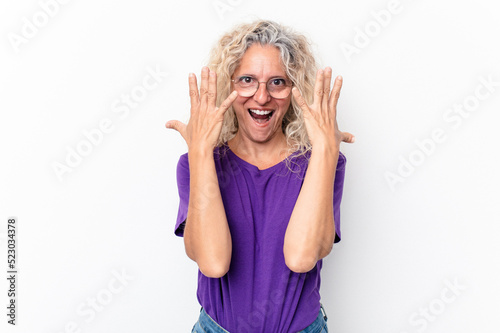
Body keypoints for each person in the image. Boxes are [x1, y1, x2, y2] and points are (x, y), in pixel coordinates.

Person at [166, 19, 355, 333]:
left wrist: (324, 150)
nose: (262, 96)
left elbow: (301, 257)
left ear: (295, 90)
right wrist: (200, 152)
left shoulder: (324, 162)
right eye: (247, 80)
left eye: (277, 82)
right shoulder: (196, 165)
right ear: (229, 86)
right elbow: (213, 263)